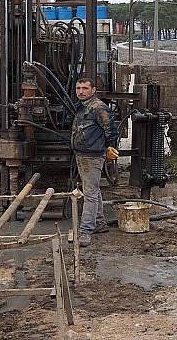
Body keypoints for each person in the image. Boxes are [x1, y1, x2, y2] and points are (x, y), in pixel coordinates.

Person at [71, 78, 119, 247]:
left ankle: (86, 231)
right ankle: (99, 223)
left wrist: (108, 147)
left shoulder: (98, 107)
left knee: (89, 194)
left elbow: (111, 130)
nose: (81, 91)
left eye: (85, 88)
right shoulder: (83, 106)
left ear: (93, 90)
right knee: (94, 189)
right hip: (82, 154)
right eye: (78, 88)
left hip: (92, 156)